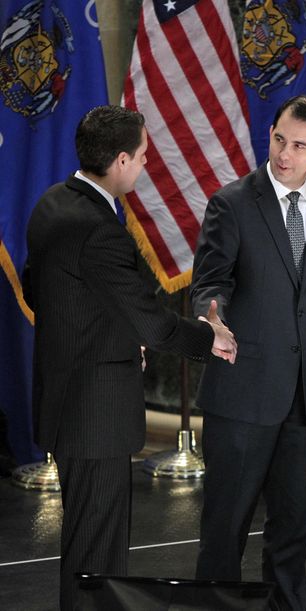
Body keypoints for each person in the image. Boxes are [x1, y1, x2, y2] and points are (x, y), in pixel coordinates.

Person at [22, 105, 237, 610]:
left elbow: (44, 292)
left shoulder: (53, 203)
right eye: (141, 156)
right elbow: (152, 321)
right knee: (97, 552)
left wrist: (110, 336)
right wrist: (210, 339)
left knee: (85, 545)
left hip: (67, 400)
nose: (143, 165)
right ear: (119, 160)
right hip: (95, 413)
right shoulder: (98, 227)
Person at [191, 95, 306, 610]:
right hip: (243, 387)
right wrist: (213, 319)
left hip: (303, 394)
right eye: (279, 139)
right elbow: (210, 282)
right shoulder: (231, 203)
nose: (284, 153)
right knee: (225, 526)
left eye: (299, 145)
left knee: (294, 527)